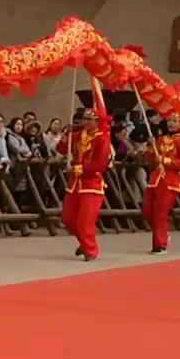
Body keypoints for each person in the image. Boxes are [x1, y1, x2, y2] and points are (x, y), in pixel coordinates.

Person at [57, 108, 112, 261]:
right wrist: (64, 137)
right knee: (67, 218)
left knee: (85, 221)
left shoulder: (102, 139)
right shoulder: (76, 136)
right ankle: (84, 241)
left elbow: (100, 164)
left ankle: (90, 251)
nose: (85, 122)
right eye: (84, 118)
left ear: (96, 122)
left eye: (89, 119)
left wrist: (79, 168)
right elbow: (61, 149)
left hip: (91, 184)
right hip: (74, 184)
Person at [143, 116, 180, 255]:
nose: (171, 123)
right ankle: (163, 234)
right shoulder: (159, 140)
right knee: (147, 211)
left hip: (170, 182)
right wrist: (150, 149)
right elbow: (152, 161)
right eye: (170, 120)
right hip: (155, 180)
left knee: (160, 213)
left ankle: (160, 245)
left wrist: (166, 160)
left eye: (175, 121)